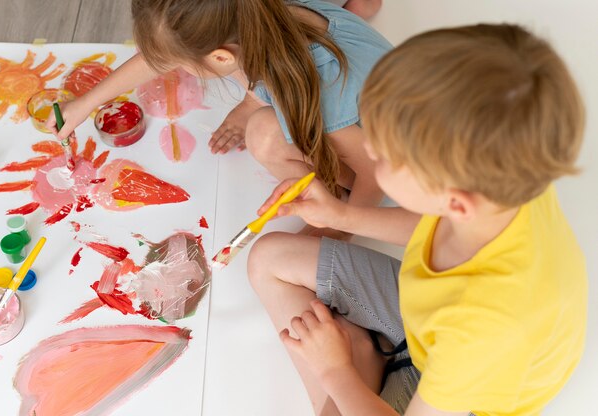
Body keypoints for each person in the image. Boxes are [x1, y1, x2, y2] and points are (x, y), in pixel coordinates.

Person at [247, 24, 587, 415]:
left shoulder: (481, 328)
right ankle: (367, 350)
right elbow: (432, 227)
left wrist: (336, 371)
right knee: (268, 258)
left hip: (458, 380)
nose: (368, 147)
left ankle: (362, 358)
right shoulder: (508, 174)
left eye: (386, 155)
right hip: (428, 324)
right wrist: (341, 214)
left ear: (455, 202)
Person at [47, 0, 392, 232]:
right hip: (359, 117)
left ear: (222, 57)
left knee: (263, 136)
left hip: (398, 165)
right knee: (261, 125)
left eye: (182, 64)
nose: (175, 69)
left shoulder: (319, 90)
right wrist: (83, 104)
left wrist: (338, 229)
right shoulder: (254, 18)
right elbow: (162, 55)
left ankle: (335, 202)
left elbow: (377, 174)